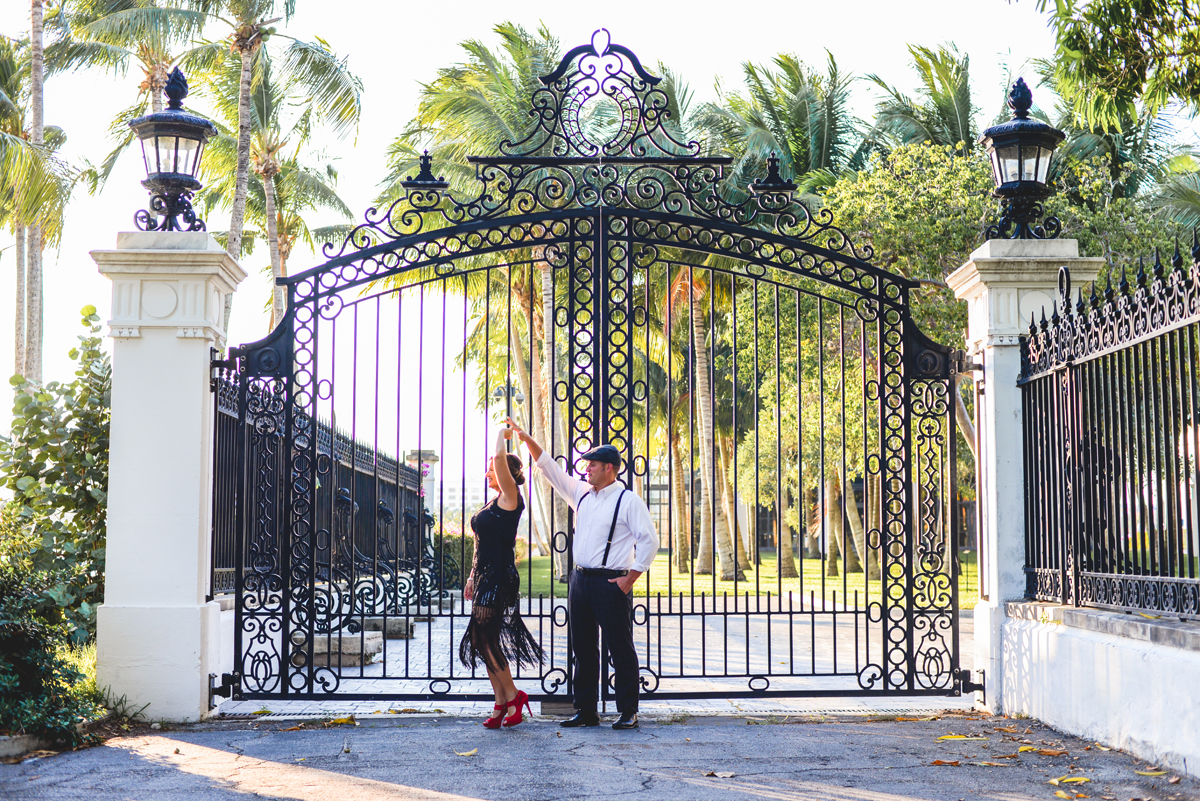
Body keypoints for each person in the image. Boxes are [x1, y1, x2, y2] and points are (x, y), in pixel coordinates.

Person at [506, 417, 657, 730]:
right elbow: (549, 467)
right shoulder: (582, 494)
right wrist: (525, 437)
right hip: (580, 581)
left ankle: (628, 711)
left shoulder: (628, 500)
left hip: (611, 582)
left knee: (620, 648)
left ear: (609, 468)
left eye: (592, 465)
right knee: (583, 650)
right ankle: (586, 711)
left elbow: (650, 541)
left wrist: (631, 578)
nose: (585, 469)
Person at [459, 426, 545, 728]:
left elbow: (498, 456)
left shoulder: (511, 497)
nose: (487, 474)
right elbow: (479, 542)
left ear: (505, 473)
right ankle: (500, 703)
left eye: (491, 471)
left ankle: (513, 697)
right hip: (484, 577)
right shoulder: (493, 501)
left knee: (487, 640)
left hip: (499, 577)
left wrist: (500, 433)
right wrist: (472, 576)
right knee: (482, 640)